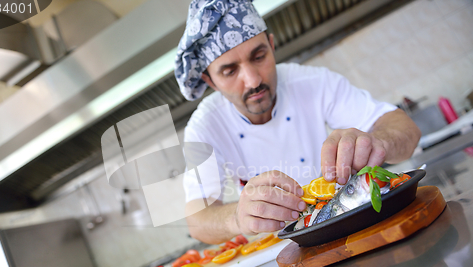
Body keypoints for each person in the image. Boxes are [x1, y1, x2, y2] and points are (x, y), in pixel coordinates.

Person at [175, 0, 421, 244]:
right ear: (210, 81)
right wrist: (237, 218)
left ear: (272, 46)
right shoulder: (205, 126)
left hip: (347, 224)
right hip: (276, 250)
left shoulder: (313, 82)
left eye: (259, 56)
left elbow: (405, 128)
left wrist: (376, 142)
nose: (252, 80)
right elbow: (197, 220)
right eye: (229, 71)